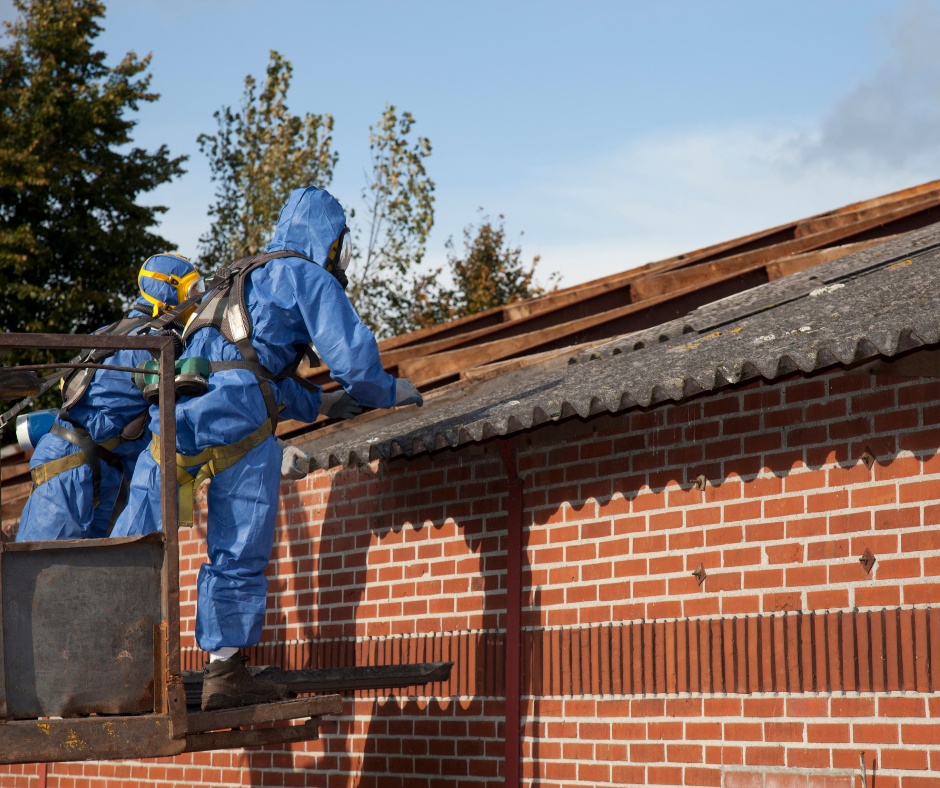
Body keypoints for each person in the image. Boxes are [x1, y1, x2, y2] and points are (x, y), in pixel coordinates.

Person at [112, 186, 423, 711]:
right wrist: (388, 391)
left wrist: (321, 405)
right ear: (330, 239)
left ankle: (106, 658)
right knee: (237, 544)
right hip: (239, 423)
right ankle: (225, 672)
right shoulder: (308, 275)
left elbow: (247, 365)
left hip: (176, 417)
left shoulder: (239, 277)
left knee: (135, 544)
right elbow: (354, 364)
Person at [16, 254, 203, 542]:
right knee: (41, 572)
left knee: (87, 576)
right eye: (191, 290)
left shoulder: (111, 332)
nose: (197, 299)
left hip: (95, 466)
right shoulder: (157, 345)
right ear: (169, 290)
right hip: (71, 464)